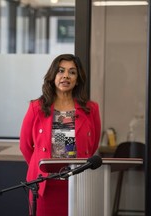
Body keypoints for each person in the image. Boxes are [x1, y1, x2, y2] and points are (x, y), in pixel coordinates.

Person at [19, 54, 101, 216]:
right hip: (45, 185)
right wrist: (42, 166)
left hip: (76, 183)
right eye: (61, 71)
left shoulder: (91, 109)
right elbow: (25, 146)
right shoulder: (37, 107)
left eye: (72, 72)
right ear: (53, 76)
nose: (65, 76)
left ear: (77, 79)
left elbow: (92, 146)